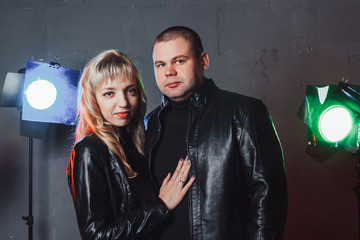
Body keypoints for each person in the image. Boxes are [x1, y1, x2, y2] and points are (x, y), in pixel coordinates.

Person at [145, 26, 288, 240]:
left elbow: (269, 197)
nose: (169, 72)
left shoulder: (244, 112)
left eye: (179, 61)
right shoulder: (151, 123)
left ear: (203, 61)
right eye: (161, 64)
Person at [66, 49, 195, 240]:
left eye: (130, 91)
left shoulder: (139, 142)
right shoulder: (89, 150)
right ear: (93, 99)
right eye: (109, 93)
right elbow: (96, 236)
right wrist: (162, 205)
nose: (124, 102)